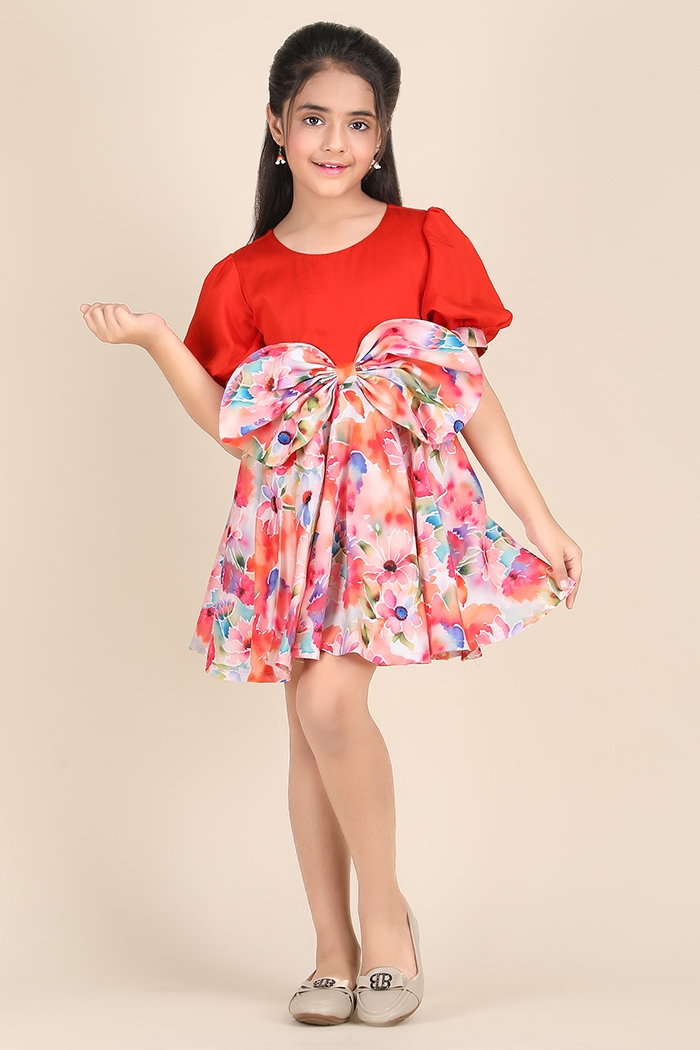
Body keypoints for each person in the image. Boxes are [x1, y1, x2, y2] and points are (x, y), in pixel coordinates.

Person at [80, 20, 582, 1028]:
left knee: (328, 706)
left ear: (383, 135)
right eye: (314, 118)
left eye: (360, 122)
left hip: (391, 520)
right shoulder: (244, 275)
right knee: (306, 730)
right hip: (290, 523)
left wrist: (536, 512)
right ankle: (330, 949)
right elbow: (238, 425)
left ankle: (386, 923)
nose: (336, 142)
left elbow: (465, 394)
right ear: (277, 126)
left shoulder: (424, 238)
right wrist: (155, 340)